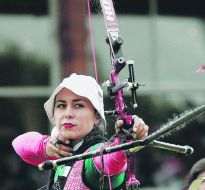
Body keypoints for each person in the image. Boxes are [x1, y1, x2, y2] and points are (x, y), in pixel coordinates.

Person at [12, 73, 149, 190]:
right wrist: (46, 146)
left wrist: (124, 142)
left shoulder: (95, 154)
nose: (68, 113)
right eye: (61, 105)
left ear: (96, 116)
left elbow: (108, 161)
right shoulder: (62, 150)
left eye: (78, 105)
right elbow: (19, 144)